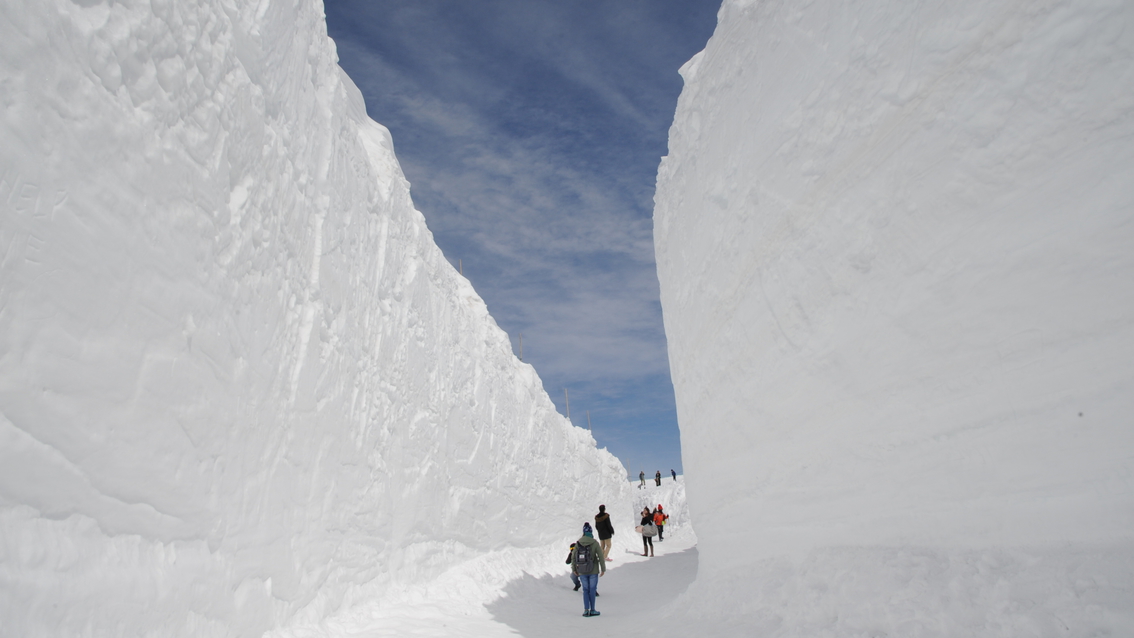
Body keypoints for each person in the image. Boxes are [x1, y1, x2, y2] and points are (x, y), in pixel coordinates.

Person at [571, 522, 605, 617]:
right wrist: (603, 569)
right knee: (592, 589)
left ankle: (586, 610)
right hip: (593, 570)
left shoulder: (578, 543)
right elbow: (601, 556)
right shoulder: (594, 542)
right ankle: (593, 610)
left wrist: (574, 569)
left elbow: (573, 556)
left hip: (582, 571)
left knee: (585, 590)